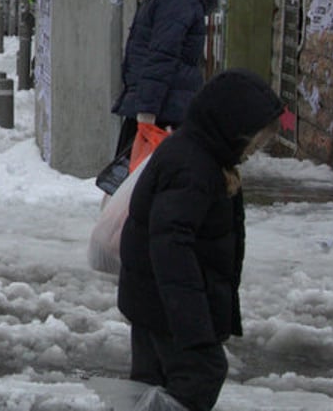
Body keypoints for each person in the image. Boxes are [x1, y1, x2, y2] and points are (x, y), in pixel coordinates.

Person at [118, 68, 283, 411]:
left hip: (158, 302)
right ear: (231, 126)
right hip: (169, 307)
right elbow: (171, 248)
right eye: (255, 139)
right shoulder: (192, 167)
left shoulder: (205, 156)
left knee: (151, 386)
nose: (256, 149)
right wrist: (193, 327)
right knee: (203, 372)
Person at [110, 0, 219, 166]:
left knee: (138, 180)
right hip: (162, 101)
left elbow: (162, 55)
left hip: (163, 106)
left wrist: (147, 110)